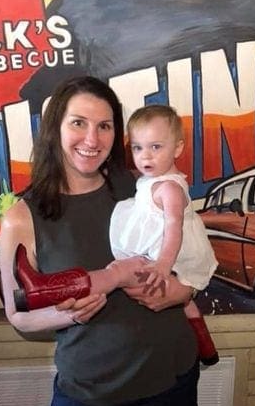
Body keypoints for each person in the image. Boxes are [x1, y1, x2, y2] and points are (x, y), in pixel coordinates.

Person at [0, 75, 199, 406]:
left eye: (105, 126)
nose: (92, 139)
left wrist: (178, 293)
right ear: (55, 129)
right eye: (79, 123)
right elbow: (19, 314)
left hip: (167, 373)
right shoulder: (23, 215)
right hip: (91, 389)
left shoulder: (143, 185)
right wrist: (73, 313)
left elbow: (194, 259)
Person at [13, 105, 219, 365]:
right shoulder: (147, 180)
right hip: (170, 267)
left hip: (167, 261)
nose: (145, 156)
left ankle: (43, 290)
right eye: (137, 147)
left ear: (177, 148)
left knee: (116, 273)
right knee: (182, 303)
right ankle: (207, 350)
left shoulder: (168, 187)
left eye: (156, 147)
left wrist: (163, 266)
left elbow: (174, 228)